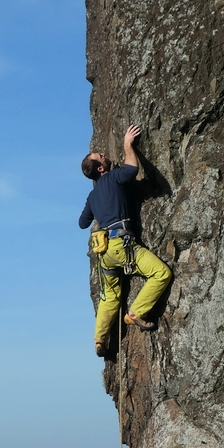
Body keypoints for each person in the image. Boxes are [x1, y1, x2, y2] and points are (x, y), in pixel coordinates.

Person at [79, 124, 172, 356]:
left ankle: (100, 339)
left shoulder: (92, 196)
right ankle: (136, 313)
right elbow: (131, 169)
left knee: (110, 295)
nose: (103, 153)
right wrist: (128, 145)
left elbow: (83, 222)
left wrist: (101, 210)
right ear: (101, 168)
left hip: (105, 253)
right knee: (161, 273)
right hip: (123, 245)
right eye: (99, 156)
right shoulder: (112, 178)